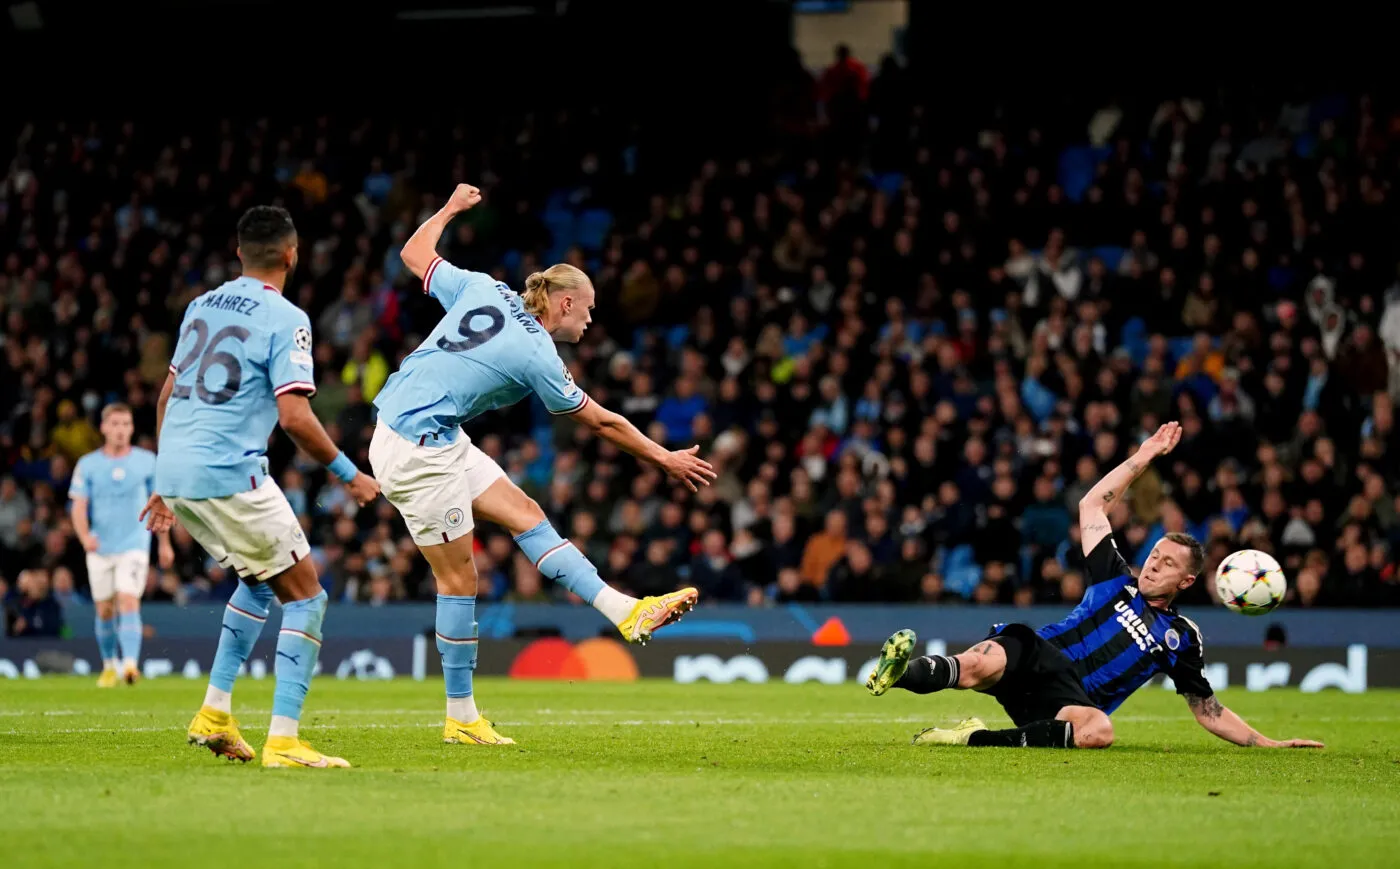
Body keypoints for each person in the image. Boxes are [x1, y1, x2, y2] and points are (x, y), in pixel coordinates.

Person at [370, 183, 716, 747]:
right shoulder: (539, 354)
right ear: (567, 303)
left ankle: (625, 611)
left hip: (429, 432)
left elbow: (413, 255)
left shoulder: (483, 287)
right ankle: (461, 718)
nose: (590, 322)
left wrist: (452, 209)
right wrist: (664, 458)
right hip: (416, 446)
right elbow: (602, 422)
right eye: (590, 311)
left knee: (527, 514)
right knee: (459, 578)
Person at [866, 422, 1325, 751]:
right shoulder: (1114, 577)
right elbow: (1091, 506)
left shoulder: (1180, 637)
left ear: (1186, 581)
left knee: (1098, 732)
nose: (1152, 565)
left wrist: (1268, 743)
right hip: (1037, 654)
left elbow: (1207, 709)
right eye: (1154, 555)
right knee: (977, 664)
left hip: (1068, 701)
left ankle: (971, 738)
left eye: (1166, 564)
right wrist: (1142, 458)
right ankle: (896, 673)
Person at [141, 206, 380, 769]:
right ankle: (285, 740)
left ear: (238, 251)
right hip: (229, 473)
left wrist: (162, 479)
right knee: (308, 595)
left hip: (178, 472)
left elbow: (165, 397)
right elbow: (294, 416)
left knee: (259, 582)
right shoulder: (287, 317)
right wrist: (350, 474)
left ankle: (215, 715)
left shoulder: (201, 306)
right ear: (292, 254)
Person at [69, 403, 174, 686]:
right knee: (104, 608)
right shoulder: (88, 464)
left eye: (125, 424)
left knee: (128, 600)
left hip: (135, 544)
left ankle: (130, 665)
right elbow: (78, 506)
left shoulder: (146, 461)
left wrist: (164, 545)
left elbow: (160, 507)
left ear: (131, 428)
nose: (120, 430)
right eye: (114, 424)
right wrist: (84, 537)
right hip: (100, 547)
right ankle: (108, 665)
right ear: (103, 427)